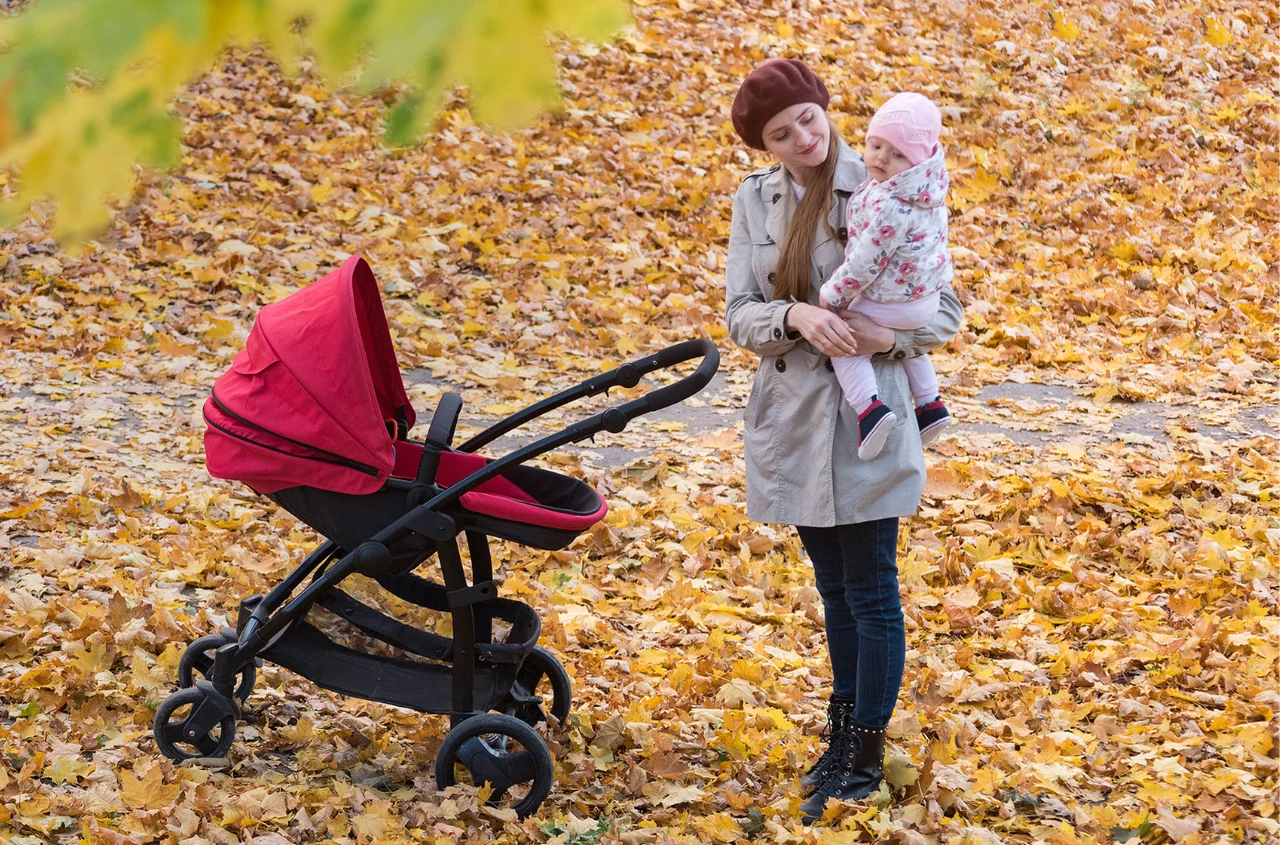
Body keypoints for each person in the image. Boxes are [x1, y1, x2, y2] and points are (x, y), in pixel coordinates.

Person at [724, 59, 962, 823]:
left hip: (870, 421)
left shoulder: (893, 178)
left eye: (807, 117)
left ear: (823, 106)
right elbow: (739, 313)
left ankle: (862, 754)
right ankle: (840, 739)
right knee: (834, 592)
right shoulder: (754, 203)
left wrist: (873, 335)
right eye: (781, 132)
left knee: (870, 588)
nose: (804, 136)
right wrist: (795, 318)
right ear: (765, 146)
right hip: (793, 421)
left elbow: (946, 308)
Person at [818, 92, 954, 461]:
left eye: (897, 155)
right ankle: (930, 404)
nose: (881, 158)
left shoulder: (892, 204)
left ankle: (870, 410)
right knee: (912, 350)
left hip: (896, 300)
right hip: (923, 297)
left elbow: (865, 261)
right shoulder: (927, 191)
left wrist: (833, 293)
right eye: (876, 145)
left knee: (842, 338)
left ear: (916, 163)